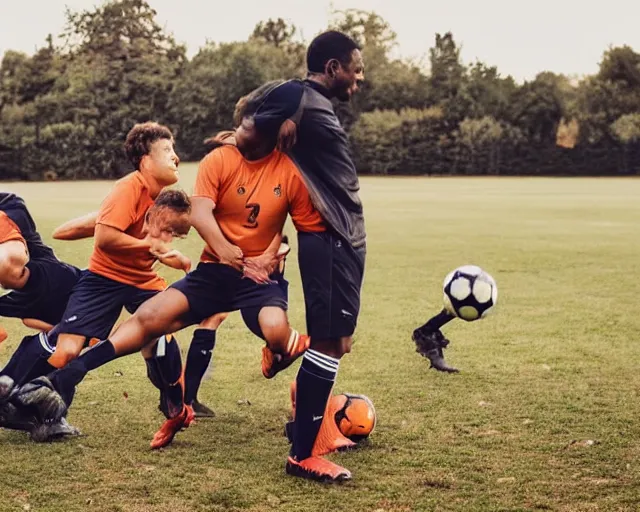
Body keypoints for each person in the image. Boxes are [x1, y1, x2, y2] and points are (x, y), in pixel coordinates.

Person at [15, 87, 323, 450]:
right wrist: (227, 254)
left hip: (260, 279)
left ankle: (271, 356)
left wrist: (273, 253)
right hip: (212, 272)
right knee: (149, 320)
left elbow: (293, 227)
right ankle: (69, 379)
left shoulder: (291, 172)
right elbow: (201, 212)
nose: (237, 135)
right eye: (239, 127)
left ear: (270, 131)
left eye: (248, 128)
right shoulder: (216, 161)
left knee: (273, 332)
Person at [245, 30, 376, 482]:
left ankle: (311, 433)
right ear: (333, 67)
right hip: (327, 235)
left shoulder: (310, 105)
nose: (358, 80)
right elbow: (245, 124)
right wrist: (266, 126)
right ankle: (302, 454)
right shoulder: (296, 93)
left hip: (346, 236)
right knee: (326, 341)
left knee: (339, 341)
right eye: (355, 70)